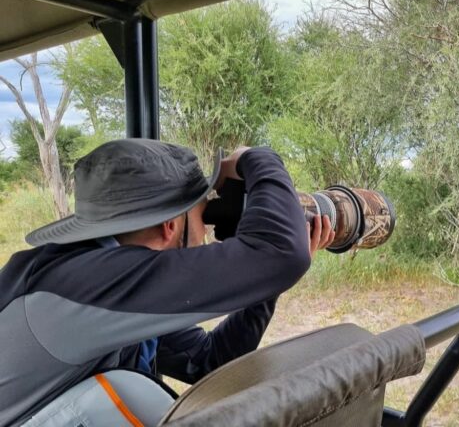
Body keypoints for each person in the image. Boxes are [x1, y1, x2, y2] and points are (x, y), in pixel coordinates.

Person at [0, 139, 334, 426]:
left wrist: (265, 285)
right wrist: (257, 157)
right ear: (170, 227)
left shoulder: (109, 282)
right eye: (204, 215)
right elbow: (281, 254)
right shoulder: (80, 285)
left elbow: (208, 360)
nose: (207, 231)